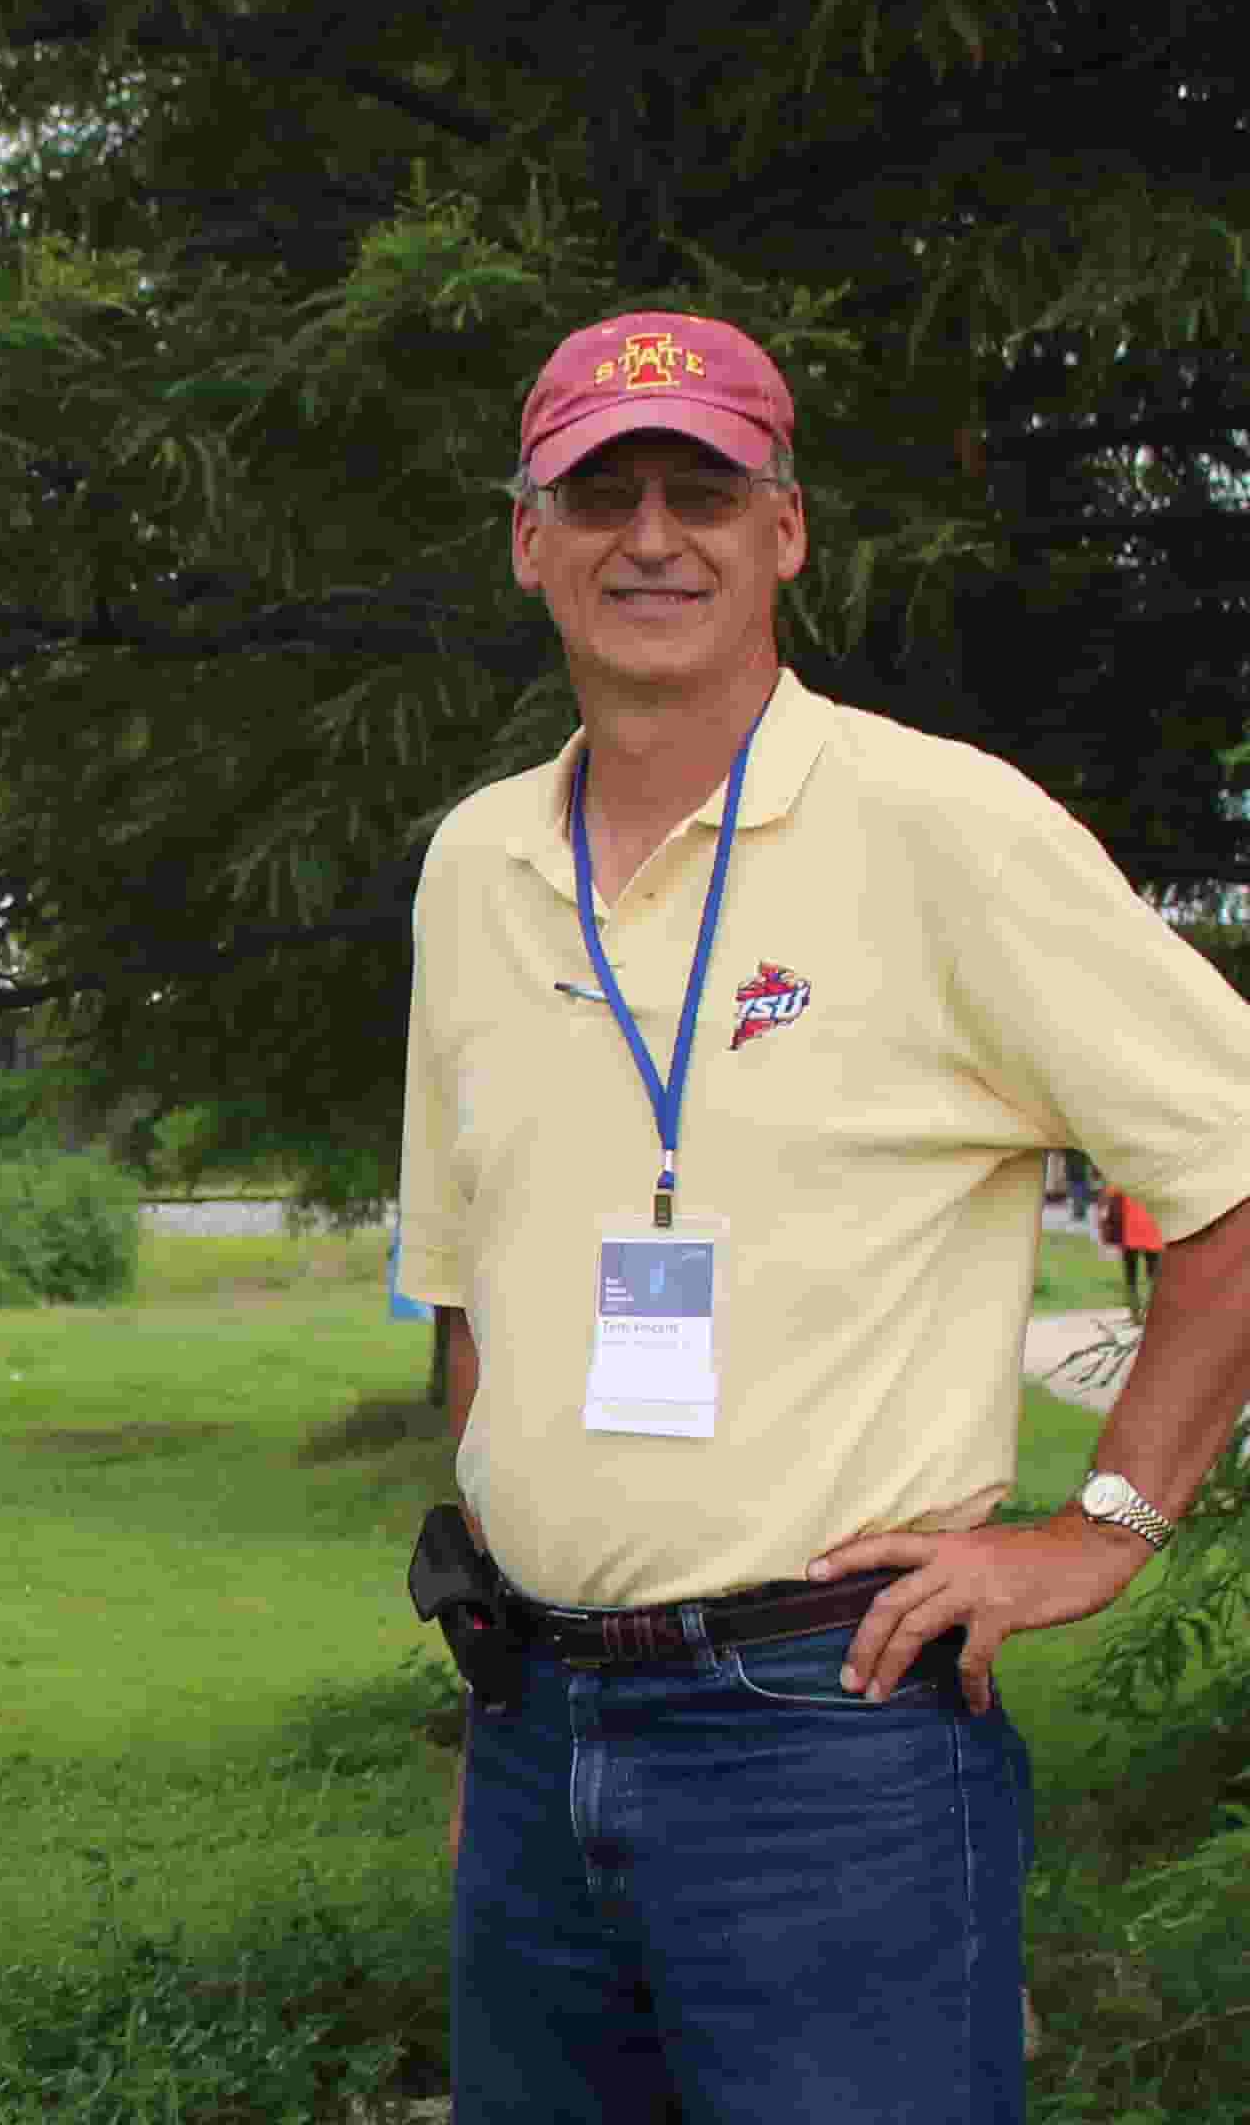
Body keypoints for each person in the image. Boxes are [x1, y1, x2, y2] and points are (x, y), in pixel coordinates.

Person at [395, 310, 1250, 2124]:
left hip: (827, 1729)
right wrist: (500, 1660)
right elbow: (465, 1281)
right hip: (537, 1722)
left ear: (785, 529)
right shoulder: (478, 862)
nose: (650, 538)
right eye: (597, 494)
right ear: (525, 540)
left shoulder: (942, 824)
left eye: (700, 489)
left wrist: (1100, 1523)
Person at [1100, 1184, 1162, 1308]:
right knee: (1153, 1270)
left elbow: (1109, 1194)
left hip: (1130, 1230)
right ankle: (1153, 1305)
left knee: (1130, 1270)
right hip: (1151, 1229)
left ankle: (1134, 1306)